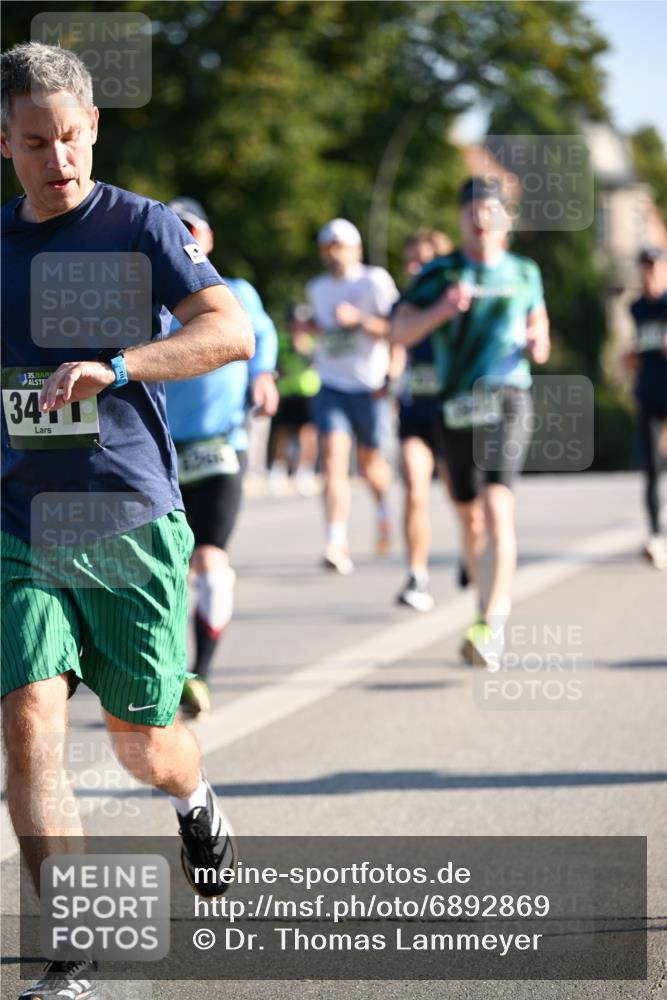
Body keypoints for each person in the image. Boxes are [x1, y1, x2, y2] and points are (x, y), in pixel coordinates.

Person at [1, 43, 252, 999]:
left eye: (70, 137)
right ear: (3, 142)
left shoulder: (140, 225)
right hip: (19, 523)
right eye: (35, 143)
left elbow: (228, 330)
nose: (57, 159)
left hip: (126, 518)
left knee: (142, 744)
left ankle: (195, 798)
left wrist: (118, 365)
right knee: (29, 720)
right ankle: (74, 949)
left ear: (94, 127)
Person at [393, 177, 551, 664]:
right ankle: (485, 610)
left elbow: (539, 326)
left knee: (497, 505)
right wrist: (441, 310)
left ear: (506, 219)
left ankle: (491, 620)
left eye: (491, 210)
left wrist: (538, 341)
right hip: (455, 403)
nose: (482, 218)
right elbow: (400, 330)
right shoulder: (441, 271)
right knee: (469, 516)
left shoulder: (524, 271)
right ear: (461, 219)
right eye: (472, 210)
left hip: (507, 397)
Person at [164, 197, 279, 716]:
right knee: (167, 568)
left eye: (191, 230)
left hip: (220, 447)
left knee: (210, 560)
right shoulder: (144, 301)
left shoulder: (236, 292)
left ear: (207, 239)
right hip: (161, 453)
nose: (183, 238)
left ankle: (200, 675)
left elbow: (262, 335)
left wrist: (264, 375)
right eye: (173, 229)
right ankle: (162, 669)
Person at [306, 218, 399, 574]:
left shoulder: (374, 281)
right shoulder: (316, 288)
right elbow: (321, 330)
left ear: (356, 249)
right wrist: (306, 329)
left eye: (340, 246)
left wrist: (359, 320)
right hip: (332, 384)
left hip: (370, 384)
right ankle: (336, 541)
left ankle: (383, 507)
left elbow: (395, 329)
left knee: (370, 463)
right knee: (333, 461)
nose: (334, 254)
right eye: (327, 247)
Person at [394, 229, 458, 612]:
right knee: (415, 491)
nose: (416, 267)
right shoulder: (404, 303)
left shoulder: (455, 300)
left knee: (460, 498)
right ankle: (416, 576)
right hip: (414, 411)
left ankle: (470, 551)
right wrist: (389, 378)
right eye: (410, 261)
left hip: (452, 413)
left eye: (424, 260)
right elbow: (396, 343)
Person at [624, 246, 667, 569]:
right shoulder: (636, 307)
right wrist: (630, 357)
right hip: (649, 393)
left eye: (654, 266)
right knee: (651, 467)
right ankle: (655, 535)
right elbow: (637, 347)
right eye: (645, 266)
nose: (649, 272)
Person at [268, 304, 320, 497]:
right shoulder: (281, 340)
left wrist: (306, 350)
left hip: (309, 392)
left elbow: (320, 363)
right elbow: (274, 365)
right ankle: (278, 471)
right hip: (286, 392)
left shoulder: (314, 342)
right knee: (282, 432)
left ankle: (304, 472)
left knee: (308, 434)